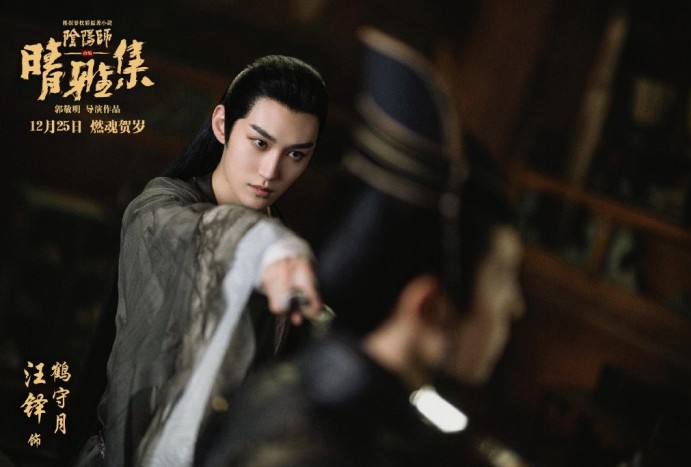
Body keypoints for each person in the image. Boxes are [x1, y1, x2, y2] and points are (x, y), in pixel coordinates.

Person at [194, 27, 526, 467]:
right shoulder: (344, 451)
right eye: (503, 277)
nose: (515, 306)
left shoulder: (287, 386)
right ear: (428, 304)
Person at [72, 55, 329, 467]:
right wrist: (265, 247)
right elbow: (186, 233)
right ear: (222, 125)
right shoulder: (160, 208)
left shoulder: (285, 255)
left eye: (296, 154)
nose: (271, 170)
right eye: (260, 143)